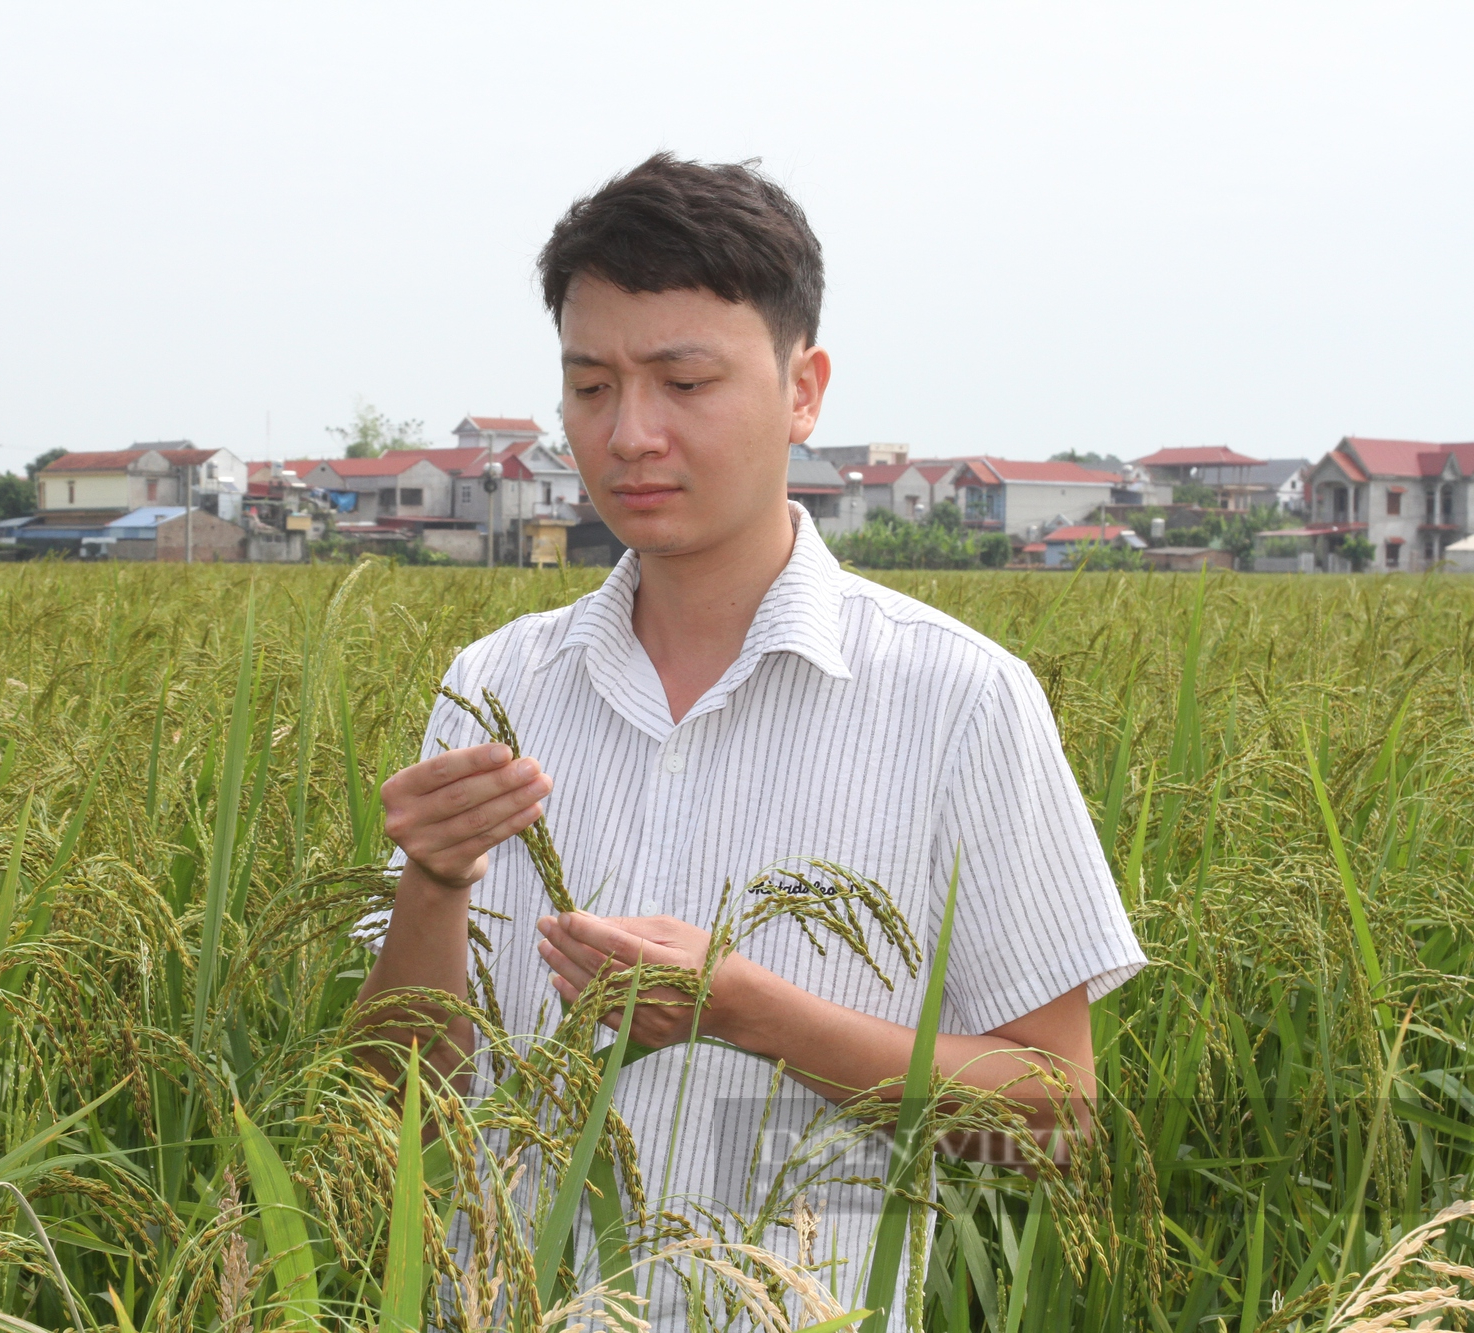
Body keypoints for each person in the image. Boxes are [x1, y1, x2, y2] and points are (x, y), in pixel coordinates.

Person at [354, 152, 1146, 1325]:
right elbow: (388, 1111)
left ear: (803, 388)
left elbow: (1049, 1116)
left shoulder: (957, 698)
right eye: (588, 387)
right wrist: (431, 883)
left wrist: (741, 1010)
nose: (628, 434)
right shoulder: (497, 683)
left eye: (682, 381)